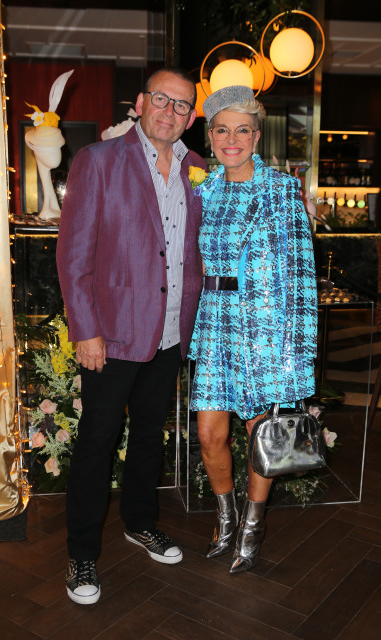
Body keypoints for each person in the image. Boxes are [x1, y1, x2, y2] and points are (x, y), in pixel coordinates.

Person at [56, 67, 206, 604]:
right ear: (141, 103)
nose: (170, 111)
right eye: (161, 99)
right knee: (97, 441)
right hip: (112, 334)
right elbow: (73, 255)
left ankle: (140, 522)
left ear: (191, 117)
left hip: (170, 332)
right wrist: (86, 330)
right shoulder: (98, 160)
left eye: (182, 105)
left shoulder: (197, 168)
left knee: (147, 435)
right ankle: (81, 555)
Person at [188, 85, 317, 573]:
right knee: (209, 435)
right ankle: (226, 516)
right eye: (222, 130)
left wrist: (298, 349)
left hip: (265, 328)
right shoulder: (203, 191)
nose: (231, 139)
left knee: (261, 433)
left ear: (257, 136)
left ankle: (252, 526)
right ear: (211, 136)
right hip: (215, 322)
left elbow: (301, 272)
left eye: (242, 130)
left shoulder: (281, 190)